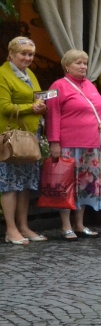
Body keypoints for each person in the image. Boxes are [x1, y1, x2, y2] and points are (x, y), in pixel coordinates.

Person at [46, 50, 101, 240]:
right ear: (67, 66)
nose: (83, 66)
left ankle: (80, 224)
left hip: (90, 145)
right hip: (68, 144)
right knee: (66, 184)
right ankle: (66, 226)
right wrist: (54, 142)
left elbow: (100, 110)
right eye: (78, 63)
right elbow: (52, 115)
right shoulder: (57, 86)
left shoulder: (90, 85)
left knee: (84, 185)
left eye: (85, 63)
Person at [0, 37, 47, 245]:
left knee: (25, 182)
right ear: (11, 54)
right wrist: (31, 108)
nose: (28, 58)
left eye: (31, 54)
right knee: (10, 183)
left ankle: (23, 225)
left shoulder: (30, 74)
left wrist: (42, 106)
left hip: (29, 137)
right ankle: (11, 229)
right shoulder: (2, 74)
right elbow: (4, 107)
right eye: (23, 54)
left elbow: (37, 97)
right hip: (10, 139)